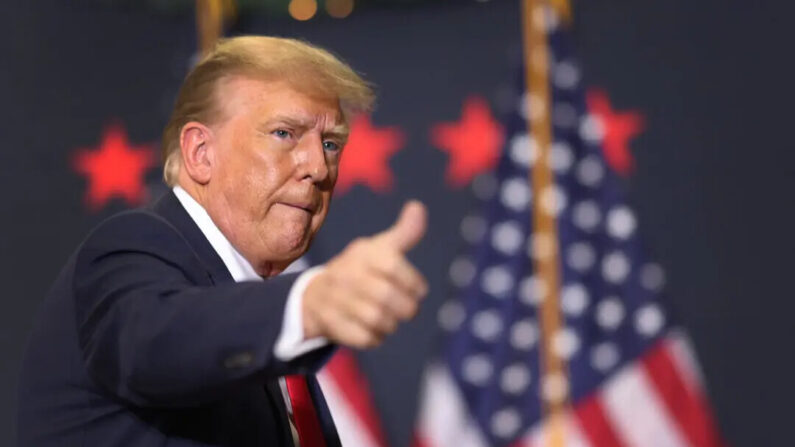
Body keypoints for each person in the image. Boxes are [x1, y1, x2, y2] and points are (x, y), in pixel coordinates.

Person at [17, 36, 428, 447]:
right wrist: (307, 304)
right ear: (200, 153)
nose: (319, 168)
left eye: (330, 143)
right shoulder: (131, 246)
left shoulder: (266, 330)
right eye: (285, 132)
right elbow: (156, 343)